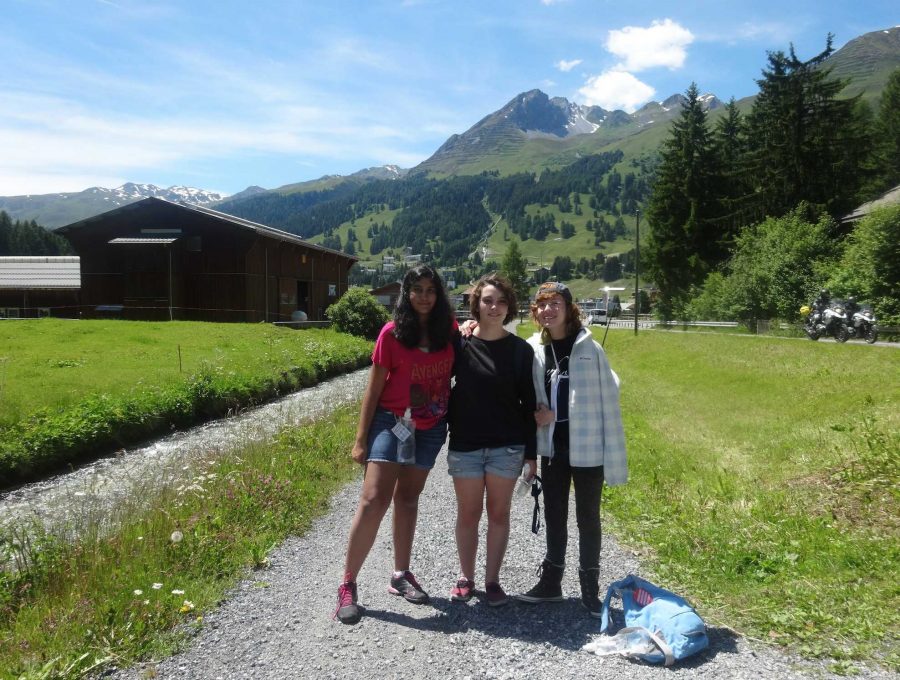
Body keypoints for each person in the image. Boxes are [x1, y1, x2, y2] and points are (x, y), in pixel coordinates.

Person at [335, 265, 456, 625]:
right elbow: (373, 390)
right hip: (391, 422)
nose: (424, 296)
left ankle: (400, 574)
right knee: (374, 501)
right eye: (416, 289)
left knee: (408, 498)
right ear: (406, 293)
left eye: (430, 289)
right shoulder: (391, 334)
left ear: (439, 295)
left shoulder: (448, 331)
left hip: (432, 426)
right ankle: (347, 584)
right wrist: (360, 439)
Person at [515, 281, 627, 618]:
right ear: (535, 311)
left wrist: (559, 414)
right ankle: (552, 583)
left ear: (568, 307)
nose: (548, 310)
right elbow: (529, 398)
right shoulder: (534, 349)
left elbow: (608, 397)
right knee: (554, 515)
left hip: (588, 446)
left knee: (588, 518)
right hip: (553, 449)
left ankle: (590, 589)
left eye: (555, 304)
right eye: (542, 305)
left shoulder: (590, 349)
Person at [446, 274, 537, 607]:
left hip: (506, 447)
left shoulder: (520, 351)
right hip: (466, 445)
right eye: (487, 300)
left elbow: (528, 404)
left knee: (499, 515)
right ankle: (466, 578)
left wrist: (531, 453)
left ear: (509, 306)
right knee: (468, 515)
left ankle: (492, 580)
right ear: (476, 305)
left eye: (500, 301)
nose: (494, 307)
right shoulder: (461, 344)